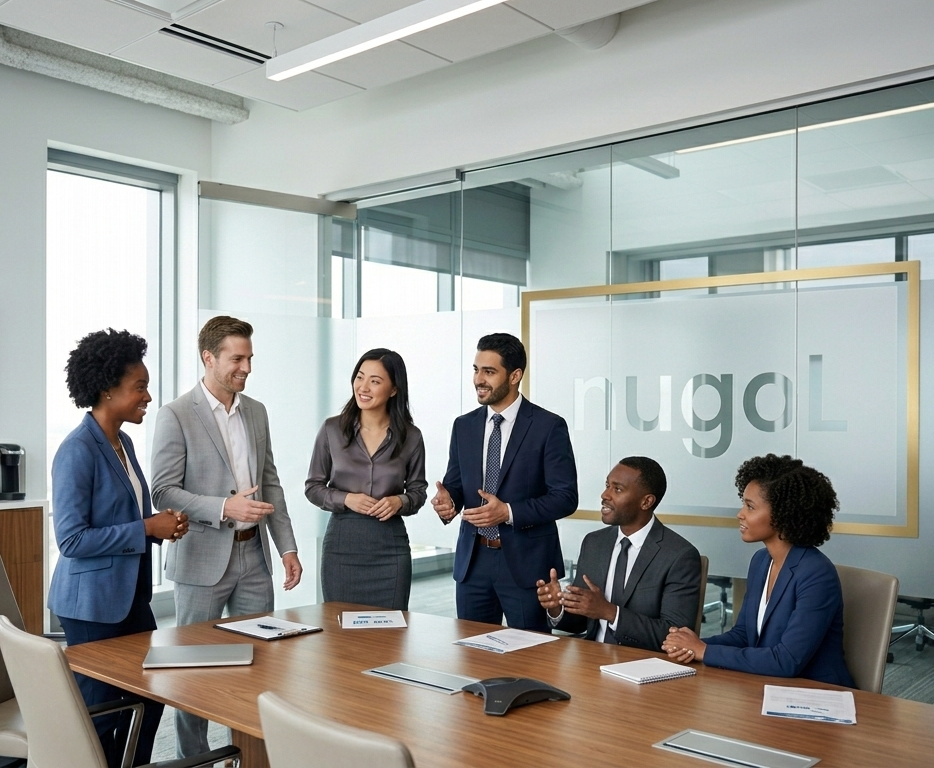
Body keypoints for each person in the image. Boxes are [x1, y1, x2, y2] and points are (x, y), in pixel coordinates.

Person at [150, 315, 302, 758]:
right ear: (209, 357)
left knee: (262, 662)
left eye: (250, 358)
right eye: (237, 358)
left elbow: (270, 481)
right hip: (201, 558)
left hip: (254, 556)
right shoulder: (175, 414)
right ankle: (194, 760)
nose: (247, 367)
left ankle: (253, 757)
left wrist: (287, 547)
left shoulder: (256, 411)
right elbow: (163, 490)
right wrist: (223, 506)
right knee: (193, 670)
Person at [49, 329, 188, 767]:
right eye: (139, 387)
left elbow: (124, 518)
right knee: (102, 710)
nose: (148, 396)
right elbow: (71, 540)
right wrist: (146, 526)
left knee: (151, 696)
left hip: (129, 597)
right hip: (90, 605)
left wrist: (158, 528)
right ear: (108, 391)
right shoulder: (76, 451)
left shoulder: (123, 443)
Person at [662, 454, 855, 687]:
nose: (740, 514)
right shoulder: (762, 561)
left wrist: (704, 651)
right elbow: (743, 635)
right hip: (768, 688)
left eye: (750, 506)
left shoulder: (816, 573)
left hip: (816, 695)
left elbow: (786, 661)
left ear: (784, 514)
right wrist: (690, 645)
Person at [432, 332, 578, 631]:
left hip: (526, 565)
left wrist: (508, 512)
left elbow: (565, 496)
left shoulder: (548, 426)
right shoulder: (464, 426)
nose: (478, 379)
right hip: (473, 564)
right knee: (473, 656)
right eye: (476, 370)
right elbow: (457, 486)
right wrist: (448, 502)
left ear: (515, 375)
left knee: (531, 659)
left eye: (489, 371)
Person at [305, 348, 427, 610]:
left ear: (394, 389)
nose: (363, 387)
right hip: (342, 545)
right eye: (360, 377)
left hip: (390, 548)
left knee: (390, 634)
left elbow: (418, 492)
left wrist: (399, 501)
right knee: (340, 633)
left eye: (375, 381)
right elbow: (313, 488)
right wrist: (346, 499)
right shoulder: (331, 430)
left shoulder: (411, 437)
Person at [536, 457, 701, 649]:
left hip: (642, 665)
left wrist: (610, 612)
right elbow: (582, 620)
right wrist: (557, 608)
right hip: (590, 659)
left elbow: (675, 636)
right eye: (607, 485)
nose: (605, 495)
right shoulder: (594, 542)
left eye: (617, 489)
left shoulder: (679, 555)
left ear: (646, 502)